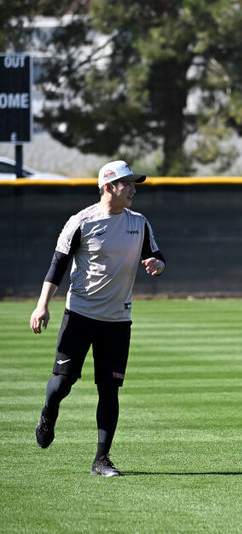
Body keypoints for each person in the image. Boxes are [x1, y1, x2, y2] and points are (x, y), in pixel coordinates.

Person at [30, 160, 165, 477]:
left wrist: (158, 265)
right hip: (80, 315)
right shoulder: (82, 221)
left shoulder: (140, 222)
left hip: (118, 321)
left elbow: (157, 255)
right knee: (61, 384)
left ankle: (101, 460)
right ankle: (49, 412)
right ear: (109, 187)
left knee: (110, 389)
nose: (133, 189)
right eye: (127, 183)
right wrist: (42, 306)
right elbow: (57, 267)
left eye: (134, 183)